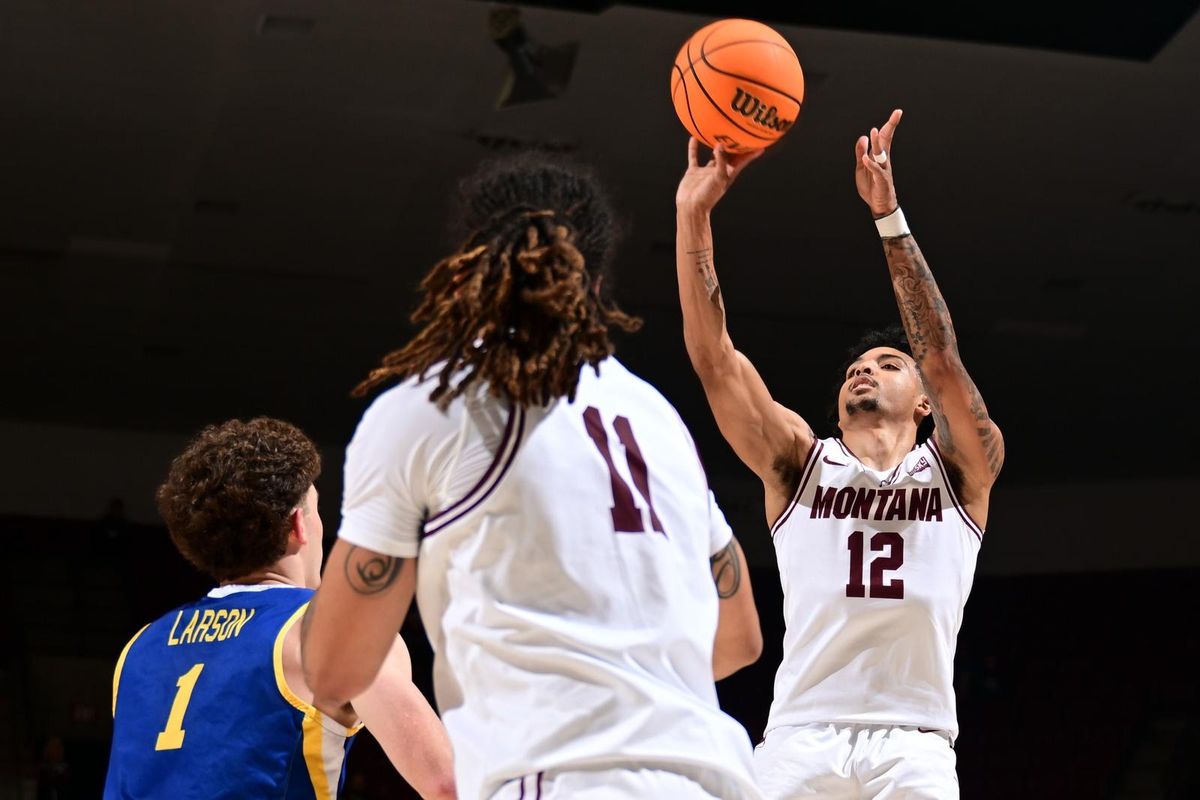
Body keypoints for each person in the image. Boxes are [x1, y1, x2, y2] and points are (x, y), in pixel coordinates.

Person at [300, 154, 765, 800]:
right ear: (596, 283)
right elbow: (739, 638)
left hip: (560, 779)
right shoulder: (657, 417)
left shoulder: (433, 405)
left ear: (468, 268)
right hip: (713, 780)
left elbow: (334, 672)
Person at [673, 110, 1004, 798]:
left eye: (887, 363)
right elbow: (715, 361)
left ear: (923, 403)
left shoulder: (959, 472)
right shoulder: (800, 463)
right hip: (801, 735)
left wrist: (888, 218)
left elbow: (941, 357)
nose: (864, 370)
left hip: (914, 741)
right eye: (857, 366)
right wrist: (693, 217)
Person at [103, 417, 456, 800]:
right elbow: (447, 784)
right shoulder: (330, 629)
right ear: (298, 524)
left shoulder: (140, 646)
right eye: (317, 510)